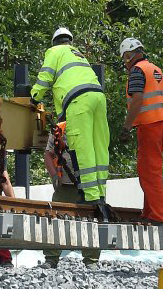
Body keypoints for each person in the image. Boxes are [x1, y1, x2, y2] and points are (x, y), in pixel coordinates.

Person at [29, 26, 109, 217]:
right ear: (70, 41)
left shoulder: (55, 52)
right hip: (98, 98)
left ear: (54, 42)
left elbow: (44, 78)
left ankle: (89, 197)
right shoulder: (79, 55)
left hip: (77, 101)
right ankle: (100, 195)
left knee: (83, 148)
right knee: (100, 148)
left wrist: (34, 97)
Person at [118, 37, 163, 226]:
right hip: (162, 124)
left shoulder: (137, 71)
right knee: (149, 171)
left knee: (150, 173)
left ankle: (157, 217)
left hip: (149, 126)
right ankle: (150, 213)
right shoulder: (154, 69)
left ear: (128, 55)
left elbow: (137, 100)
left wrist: (126, 127)